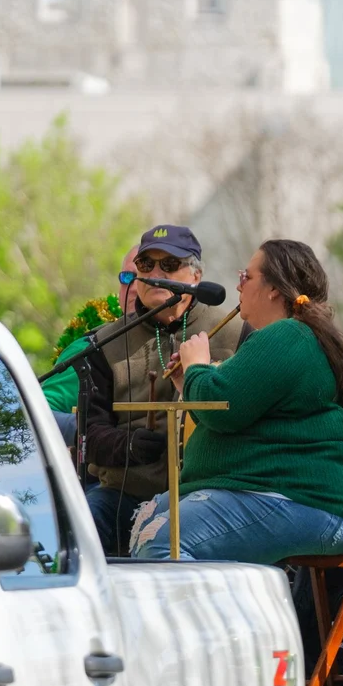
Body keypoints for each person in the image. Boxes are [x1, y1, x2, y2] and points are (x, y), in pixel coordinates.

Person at [130, 239, 343, 562]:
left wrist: (197, 368)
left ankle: (218, 614)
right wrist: (188, 382)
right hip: (291, 498)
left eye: (246, 277)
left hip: (307, 501)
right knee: (145, 520)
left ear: (274, 288)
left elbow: (221, 408)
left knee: (163, 541)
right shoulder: (288, 336)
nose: (238, 285)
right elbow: (232, 412)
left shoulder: (289, 334)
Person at [79, 225, 243, 555]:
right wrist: (129, 446)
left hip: (207, 494)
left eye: (169, 265)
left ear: (196, 276)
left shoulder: (238, 334)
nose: (155, 273)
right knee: (77, 531)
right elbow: (89, 435)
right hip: (126, 493)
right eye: (145, 265)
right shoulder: (103, 343)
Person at [42, 246, 139, 446]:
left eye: (147, 278)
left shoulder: (203, 336)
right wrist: (93, 431)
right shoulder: (92, 348)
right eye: (128, 277)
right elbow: (35, 416)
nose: (136, 288)